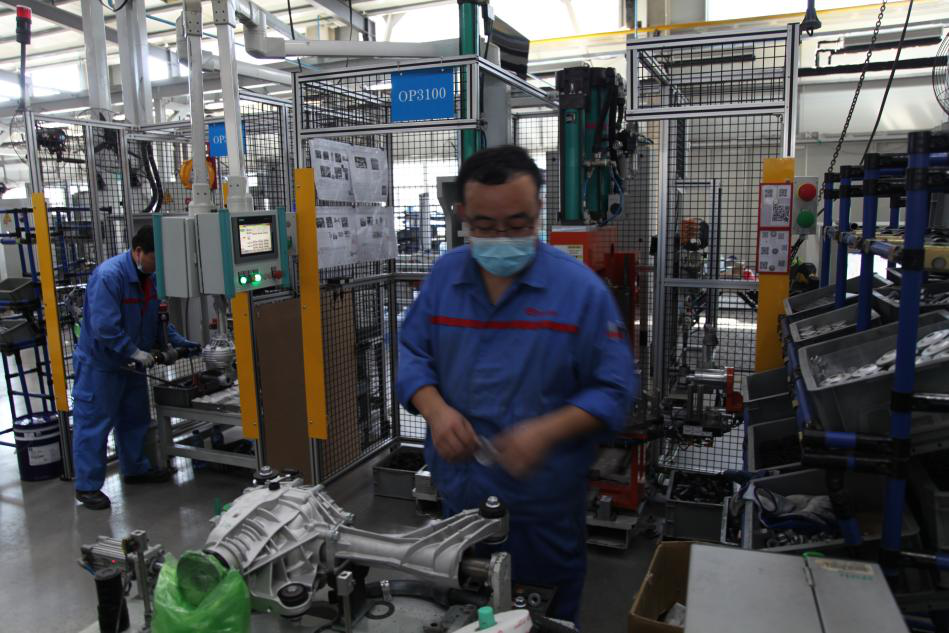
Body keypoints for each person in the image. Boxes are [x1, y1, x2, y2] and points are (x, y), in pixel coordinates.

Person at [396, 145, 639, 622]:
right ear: (463, 215)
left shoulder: (578, 292)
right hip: (459, 506)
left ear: (538, 211)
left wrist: (545, 432)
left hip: (541, 512)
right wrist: (436, 410)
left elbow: (614, 388)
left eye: (518, 224)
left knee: (541, 618)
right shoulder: (445, 277)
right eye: (486, 226)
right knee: (464, 616)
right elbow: (412, 352)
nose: (502, 238)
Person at [72, 226, 200, 510]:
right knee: (94, 425)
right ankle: (87, 487)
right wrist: (134, 351)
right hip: (101, 366)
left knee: (134, 419)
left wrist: (181, 343)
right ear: (139, 252)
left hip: (132, 364)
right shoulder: (109, 277)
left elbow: (157, 319)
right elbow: (104, 326)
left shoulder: (150, 279)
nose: (159, 266)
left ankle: (135, 469)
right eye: (156, 259)